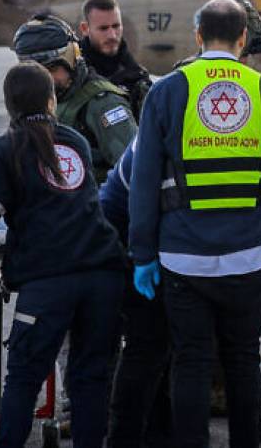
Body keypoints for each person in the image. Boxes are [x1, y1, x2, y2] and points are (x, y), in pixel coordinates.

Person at [127, 0, 261, 448]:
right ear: (243, 39)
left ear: (197, 37)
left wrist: (142, 255)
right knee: (242, 361)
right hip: (250, 256)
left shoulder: (168, 90)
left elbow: (142, 183)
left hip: (181, 258)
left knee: (190, 361)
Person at [0, 62, 126, 448]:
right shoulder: (75, 142)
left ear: (8, 106)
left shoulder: (5, 150)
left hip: (50, 283)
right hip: (104, 274)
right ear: (52, 101)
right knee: (91, 379)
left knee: (24, 378)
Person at [99, 139, 174, 448]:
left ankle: (157, 435)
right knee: (148, 346)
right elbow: (136, 199)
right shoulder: (162, 126)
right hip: (129, 237)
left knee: (163, 348)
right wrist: (143, 257)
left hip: (150, 237)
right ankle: (127, 438)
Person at [14, 14, 137, 183]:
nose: (44, 79)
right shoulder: (36, 103)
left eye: (52, 68)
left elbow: (136, 170)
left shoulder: (103, 104)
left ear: (73, 57)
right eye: (36, 71)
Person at [78, 0, 153, 116]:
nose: (112, 35)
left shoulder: (137, 76)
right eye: (103, 28)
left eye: (116, 26)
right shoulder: (73, 74)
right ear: (85, 28)